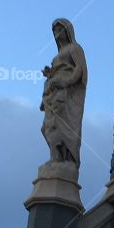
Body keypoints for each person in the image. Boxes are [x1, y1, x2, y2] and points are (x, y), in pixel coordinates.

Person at [40, 19, 87, 167]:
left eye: (60, 29)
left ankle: (62, 159)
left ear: (67, 31)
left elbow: (79, 69)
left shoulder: (74, 48)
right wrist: (50, 74)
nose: (57, 32)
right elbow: (60, 69)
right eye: (55, 30)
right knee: (45, 127)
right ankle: (56, 157)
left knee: (57, 124)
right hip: (53, 91)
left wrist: (67, 81)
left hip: (65, 92)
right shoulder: (60, 53)